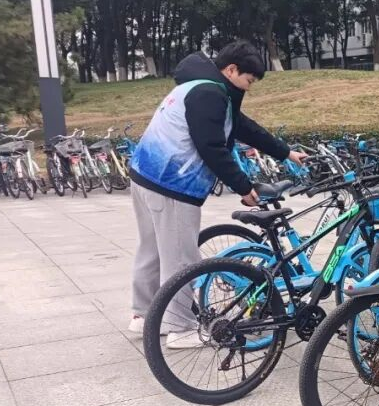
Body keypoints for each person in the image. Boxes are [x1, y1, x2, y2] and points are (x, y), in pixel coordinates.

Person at [128, 40, 309, 347]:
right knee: (181, 258)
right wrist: (244, 186)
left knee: (152, 250)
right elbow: (211, 147)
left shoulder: (198, 86)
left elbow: (242, 126)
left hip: (145, 176)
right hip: (172, 184)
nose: (249, 87)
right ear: (231, 70)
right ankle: (180, 328)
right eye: (249, 80)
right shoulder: (210, 94)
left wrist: (285, 153)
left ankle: (143, 315)